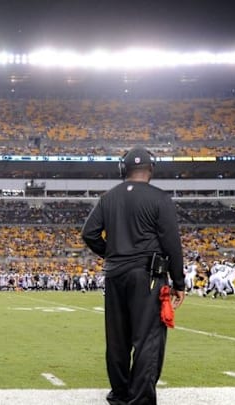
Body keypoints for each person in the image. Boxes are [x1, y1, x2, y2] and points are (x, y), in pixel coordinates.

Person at [81, 145, 185, 405]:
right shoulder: (160, 198)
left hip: (115, 274)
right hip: (147, 275)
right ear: (151, 169)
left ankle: (119, 396)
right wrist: (179, 282)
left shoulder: (108, 198)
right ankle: (140, 400)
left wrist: (112, 253)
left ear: (122, 169)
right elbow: (172, 243)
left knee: (117, 339)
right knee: (147, 338)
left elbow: (89, 233)